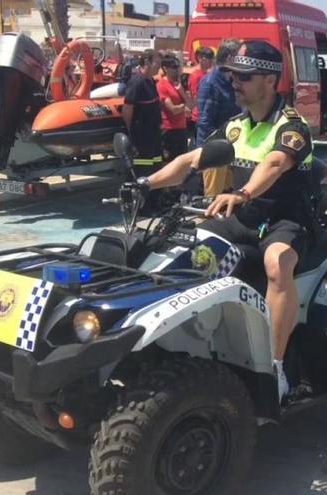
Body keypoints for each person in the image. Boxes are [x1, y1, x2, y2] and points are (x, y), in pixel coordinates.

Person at [134, 40, 314, 401]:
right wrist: (144, 183)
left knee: (277, 263)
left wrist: (243, 193)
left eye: (244, 77)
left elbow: (275, 163)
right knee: (180, 243)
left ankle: (275, 368)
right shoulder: (236, 127)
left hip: (285, 221)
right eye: (232, 75)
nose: (235, 83)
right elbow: (190, 161)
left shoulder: (292, 126)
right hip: (241, 216)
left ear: (269, 80)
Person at [196, 38, 242, 196]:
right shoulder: (210, 84)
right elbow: (205, 121)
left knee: (229, 197)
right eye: (241, 58)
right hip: (215, 152)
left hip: (232, 149)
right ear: (230, 59)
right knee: (213, 200)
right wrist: (208, 153)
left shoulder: (231, 82)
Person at [122, 49, 164, 211]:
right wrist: (132, 135)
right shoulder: (137, 82)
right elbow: (128, 111)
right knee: (143, 171)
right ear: (146, 62)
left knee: (155, 169)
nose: (159, 68)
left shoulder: (149, 81)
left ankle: (153, 203)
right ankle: (140, 207)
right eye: (157, 64)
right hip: (142, 139)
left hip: (153, 137)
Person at [157, 54, 194, 163]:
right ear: (165, 69)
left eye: (177, 67)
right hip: (169, 129)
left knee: (182, 161)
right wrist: (184, 106)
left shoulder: (179, 84)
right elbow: (172, 110)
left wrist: (181, 90)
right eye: (173, 67)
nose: (177, 70)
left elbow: (191, 105)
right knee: (169, 162)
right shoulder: (162, 85)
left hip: (181, 128)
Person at [187, 46, 214, 139]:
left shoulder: (209, 74)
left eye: (211, 58)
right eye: (208, 58)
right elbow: (196, 98)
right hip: (199, 116)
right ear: (200, 58)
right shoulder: (195, 76)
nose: (211, 61)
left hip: (209, 114)